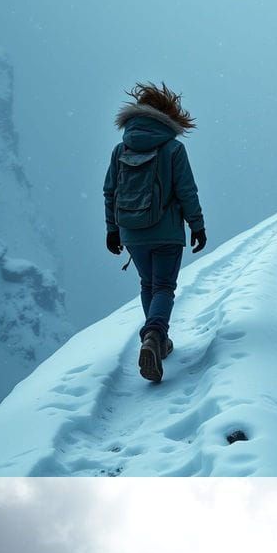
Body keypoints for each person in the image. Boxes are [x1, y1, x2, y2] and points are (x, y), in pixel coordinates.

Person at [103, 82, 206, 384]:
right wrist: (197, 225)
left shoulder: (120, 149)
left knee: (148, 284)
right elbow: (186, 191)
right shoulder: (173, 148)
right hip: (166, 231)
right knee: (163, 286)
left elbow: (110, 191)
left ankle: (158, 341)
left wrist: (113, 230)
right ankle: (154, 335)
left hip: (132, 232)